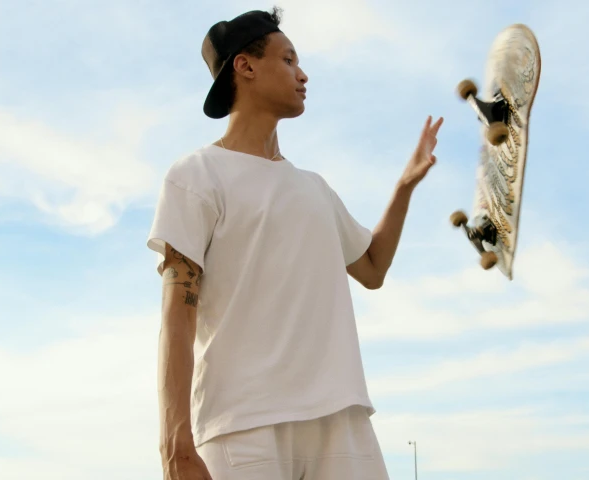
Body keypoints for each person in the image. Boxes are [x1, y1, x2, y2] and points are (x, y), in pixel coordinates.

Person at [146, 7, 443, 480]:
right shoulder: (195, 176)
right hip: (242, 428)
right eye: (288, 60)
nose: (303, 74)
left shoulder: (315, 188)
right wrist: (174, 440)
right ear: (245, 66)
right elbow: (176, 312)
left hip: (342, 421)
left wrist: (404, 187)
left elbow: (372, 268)